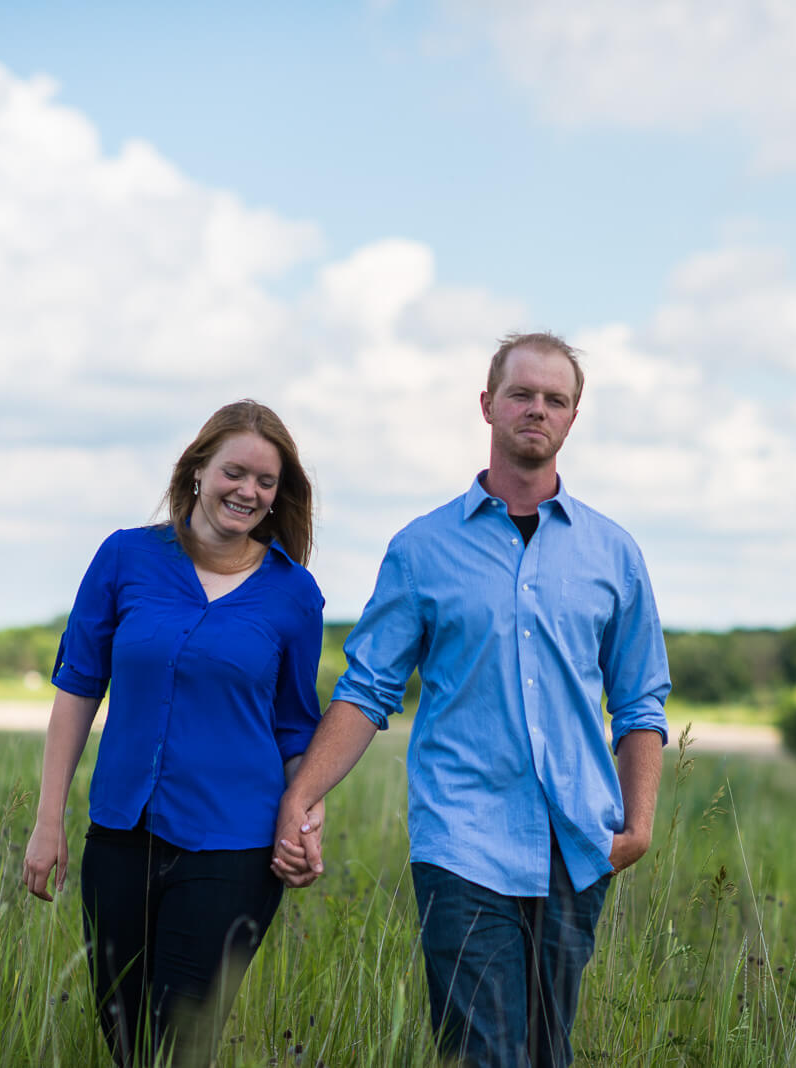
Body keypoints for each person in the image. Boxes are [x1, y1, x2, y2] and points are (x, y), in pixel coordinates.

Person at [272, 333, 671, 1068]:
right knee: (484, 1054)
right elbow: (367, 690)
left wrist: (638, 824)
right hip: (462, 841)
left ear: (573, 418)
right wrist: (301, 794)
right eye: (522, 393)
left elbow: (641, 703)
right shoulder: (422, 549)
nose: (536, 409)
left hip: (579, 842)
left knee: (549, 1052)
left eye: (555, 399)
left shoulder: (613, 554)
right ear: (488, 405)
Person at [23, 399, 326, 1067]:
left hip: (233, 848)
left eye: (266, 481)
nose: (248, 491)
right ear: (196, 471)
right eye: (234, 472)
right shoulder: (126, 556)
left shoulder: (294, 594)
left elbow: (297, 725)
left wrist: (308, 815)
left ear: (279, 495)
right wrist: (49, 822)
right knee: (125, 1036)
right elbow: (78, 687)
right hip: (120, 837)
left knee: (179, 1045)